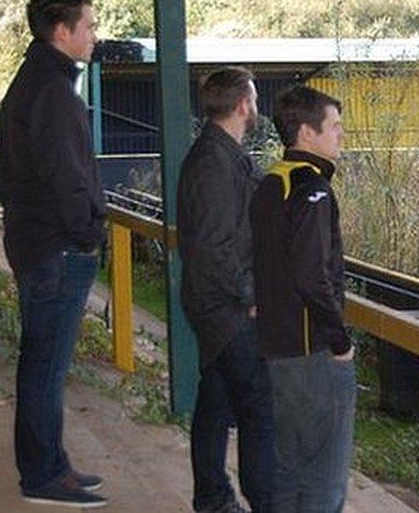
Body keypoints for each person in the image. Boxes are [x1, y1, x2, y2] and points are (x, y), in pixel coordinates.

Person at [0, 0, 108, 508]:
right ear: (61, 32)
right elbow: (68, 181)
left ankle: (51, 464)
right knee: (44, 367)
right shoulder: (52, 92)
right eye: (88, 25)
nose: (94, 35)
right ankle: (42, 476)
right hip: (57, 251)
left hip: (40, 245)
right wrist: (88, 234)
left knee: (42, 364)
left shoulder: (37, 81)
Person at [251, 85, 355, 513]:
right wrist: (340, 341)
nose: (341, 135)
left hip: (274, 349)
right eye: (333, 127)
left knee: (286, 471)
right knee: (323, 479)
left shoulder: (270, 183)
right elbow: (314, 276)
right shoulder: (312, 190)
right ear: (307, 135)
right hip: (313, 354)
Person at [178, 67, 274, 513]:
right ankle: (263, 499)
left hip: (219, 303)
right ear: (242, 105)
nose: (255, 108)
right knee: (259, 406)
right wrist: (249, 296)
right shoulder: (214, 162)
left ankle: (211, 497)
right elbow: (213, 246)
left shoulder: (222, 154)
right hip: (227, 308)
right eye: (252, 99)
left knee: (215, 402)